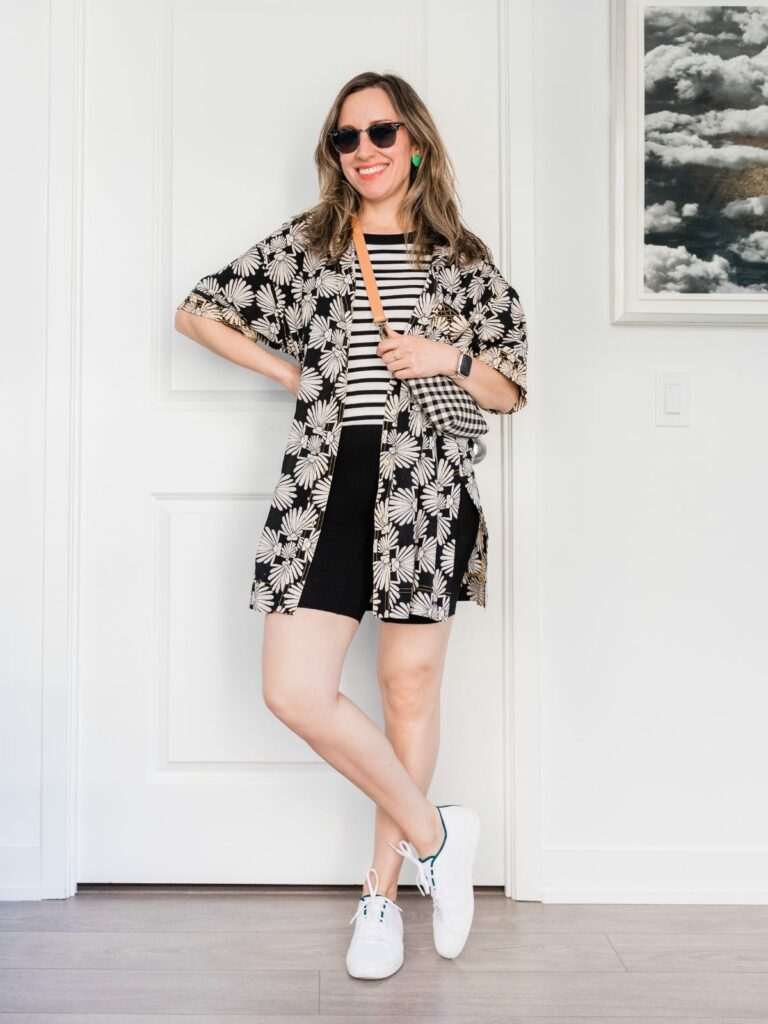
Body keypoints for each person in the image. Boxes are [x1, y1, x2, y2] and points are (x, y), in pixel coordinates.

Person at [174, 70, 528, 980]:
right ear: (335, 154)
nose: (365, 150)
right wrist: (294, 377)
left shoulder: (462, 258)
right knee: (294, 689)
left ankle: (381, 898)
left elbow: (509, 389)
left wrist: (446, 354)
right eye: (347, 137)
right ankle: (438, 836)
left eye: (382, 131)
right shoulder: (312, 245)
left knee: (408, 690)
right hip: (327, 484)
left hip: (424, 490)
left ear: (416, 142)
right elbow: (197, 312)